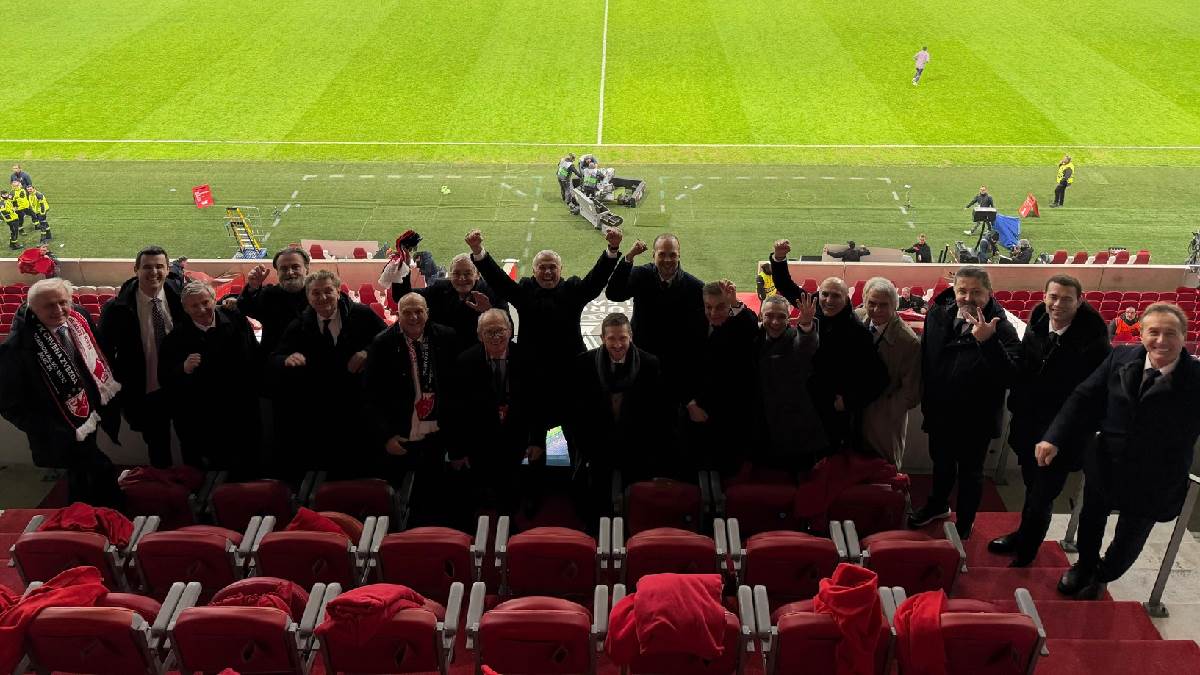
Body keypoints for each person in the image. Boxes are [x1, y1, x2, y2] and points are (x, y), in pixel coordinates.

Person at [1039, 304, 1200, 599]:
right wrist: (1054, 437)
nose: (1161, 340)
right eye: (1153, 332)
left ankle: (1103, 575)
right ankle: (1084, 566)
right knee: (1091, 519)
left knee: (1130, 537)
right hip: (1106, 463)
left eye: (1170, 333)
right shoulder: (1121, 357)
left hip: (1156, 477)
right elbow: (1083, 396)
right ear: (1141, 333)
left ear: (1184, 336)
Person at [466, 227, 622, 463]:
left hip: (570, 379)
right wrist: (478, 251)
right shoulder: (525, 292)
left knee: (577, 442)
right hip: (533, 382)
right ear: (534, 270)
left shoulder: (572, 290)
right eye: (542, 267)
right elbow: (499, 281)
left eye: (552, 267)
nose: (548, 272)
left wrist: (612, 250)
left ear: (561, 269)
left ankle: (579, 480)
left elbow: (595, 280)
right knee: (533, 446)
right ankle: (533, 484)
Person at [989, 275, 1110, 567]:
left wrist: (1058, 436)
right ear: (1044, 296)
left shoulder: (1095, 342)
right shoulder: (1038, 322)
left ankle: (1027, 551)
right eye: (1053, 297)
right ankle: (1023, 534)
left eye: (1067, 298)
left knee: (1043, 494)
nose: (1058, 304)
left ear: (1080, 301)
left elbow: (1090, 398)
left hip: (1063, 435)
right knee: (1032, 486)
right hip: (1029, 423)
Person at [910, 266, 1021, 538]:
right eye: (962, 291)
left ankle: (965, 521)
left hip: (975, 419)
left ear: (989, 293)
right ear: (954, 290)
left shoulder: (1001, 327)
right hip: (940, 411)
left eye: (976, 292)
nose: (968, 297)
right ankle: (938, 505)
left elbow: (1011, 376)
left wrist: (988, 342)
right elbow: (929, 360)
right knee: (941, 464)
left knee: (971, 473)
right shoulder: (938, 314)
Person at [0, 278, 123, 506]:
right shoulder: (16, 348)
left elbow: (98, 354)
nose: (58, 310)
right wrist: (50, 429)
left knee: (83, 476)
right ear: (33, 308)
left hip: (89, 417)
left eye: (62, 302)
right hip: (58, 429)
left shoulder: (79, 316)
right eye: (49, 305)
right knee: (97, 471)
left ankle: (90, 513)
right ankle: (100, 512)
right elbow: (9, 405)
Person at [771, 240, 888, 452]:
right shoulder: (812, 305)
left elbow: (879, 377)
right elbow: (785, 285)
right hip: (805, 402)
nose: (828, 300)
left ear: (847, 299)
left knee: (831, 458)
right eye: (825, 294)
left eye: (836, 296)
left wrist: (849, 402)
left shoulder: (857, 332)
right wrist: (779, 258)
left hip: (834, 412)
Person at [272, 270, 386, 476]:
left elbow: (387, 342)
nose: (322, 297)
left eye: (328, 291)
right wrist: (287, 359)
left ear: (338, 292)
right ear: (308, 297)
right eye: (316, 293)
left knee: (363, 463)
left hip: (359, 406)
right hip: (322, 412)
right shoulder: (299, 325)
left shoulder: (362, 315)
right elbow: (276, 357)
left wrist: (366, 353)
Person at [364, 292, 459, 525]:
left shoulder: (446, 337)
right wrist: (386, 436)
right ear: (398, 314)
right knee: (401, 499)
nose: (414, 317)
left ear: (427, 313)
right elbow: (371, 396)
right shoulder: (383, 343)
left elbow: (457, 389)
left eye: (419, 311)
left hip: (437, 433)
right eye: (407, 312)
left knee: (435, 494)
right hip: (402, 435)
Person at [571, 313, 671, 515]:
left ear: (631, 336)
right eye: (611, 338)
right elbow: (578, 412)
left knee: (635, 505)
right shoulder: (585, 363)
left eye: (622, 338)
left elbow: (657, 413)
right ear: (602, 338)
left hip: (636, 448)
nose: (617, 345)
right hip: (598, 447)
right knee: (597, 504)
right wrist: (588, 448)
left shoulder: (650, 364)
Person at [158, 281, 261, 474]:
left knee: (247, 468)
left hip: (241, 412)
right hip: (203, 420)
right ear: (185, 309)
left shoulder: (237, 321)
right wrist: (183, 369)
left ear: (214, 300)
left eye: (205, 302)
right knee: (210, 473)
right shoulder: (175, 338)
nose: (201, 309)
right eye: (194, 306)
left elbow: (254, 357)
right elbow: (165, 379)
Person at [99, 245, 186, 468]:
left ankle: (192, 484)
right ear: (136, 269)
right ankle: (163, 484)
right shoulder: (116, 309)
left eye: (159, 266)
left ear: (168, 270)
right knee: (158, 447)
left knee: (191, 440)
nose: (154, 272)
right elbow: (104, 353)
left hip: (182, 385)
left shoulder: (182, 298)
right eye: (147, 267)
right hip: (148, 391)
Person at [451, 309, 542, 516]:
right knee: (478, 496)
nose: (496, 336)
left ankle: (508, 526)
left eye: (500, 330)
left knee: (510, 493)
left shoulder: (527, 359)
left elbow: (537, 404)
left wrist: (537, 440)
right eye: (489, 332)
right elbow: (456, 410)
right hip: (479, 440)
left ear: (510, 331)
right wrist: (457, 450)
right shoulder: (464, 362)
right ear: (479, 335)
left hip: (515, 438)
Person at [604, 233, 707, 412]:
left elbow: (699, 336)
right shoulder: (641, 275)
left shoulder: (695, 287)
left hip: (674, 368)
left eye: (672, 255)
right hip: (641, 362)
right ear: (653, 255)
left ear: (679, 255)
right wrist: (629, 258)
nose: (667, 260)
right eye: (662, 254)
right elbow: (614, 293)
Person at [691, 280, 759, 474]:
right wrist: (690, 404)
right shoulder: (694, 325)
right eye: (708, 307)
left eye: (720, 307)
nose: (713, 313)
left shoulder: (741, 323)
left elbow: (751, 326)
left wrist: (735, 303)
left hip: (733, 414)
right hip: (699, 411)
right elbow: (682, 367)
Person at [854, 278, 921, 468]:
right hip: (854, 411)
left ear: (894, 305)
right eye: (871, 303)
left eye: (883, 305)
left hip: (884, 420)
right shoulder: (857, 318)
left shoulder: (908, 341)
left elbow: (911, 393)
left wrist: (885, 411)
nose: (876, 309)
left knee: (885, 470)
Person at [755, 293, 827, 472]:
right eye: (769, 316)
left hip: (795, 429)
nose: (775, 322)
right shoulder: (754, 338)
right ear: (761, 316)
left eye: (781, 316)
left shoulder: (795, 337)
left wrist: (806, 324)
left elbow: (806, 345)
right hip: (763, 428)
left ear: (789, 319)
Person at [382, 250, 505, 353]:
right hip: (441, 357)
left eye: (467, 273)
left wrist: (489, 312)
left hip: (476, 359)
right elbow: (404, 296)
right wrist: (404, 267)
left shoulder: (492, 293)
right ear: (450, 275)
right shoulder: (440, 289)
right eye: (456, 273)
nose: (462, 278)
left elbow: (507, 330)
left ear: (477, 274)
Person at [238, 246, 312, 359]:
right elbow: (243, 309)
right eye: (283, 268)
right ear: (277, 272)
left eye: (295, 267)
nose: (290, 272)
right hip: (274, 360)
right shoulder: (268, 295)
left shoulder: (319, 294)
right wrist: (252, 287)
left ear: (307, 269)